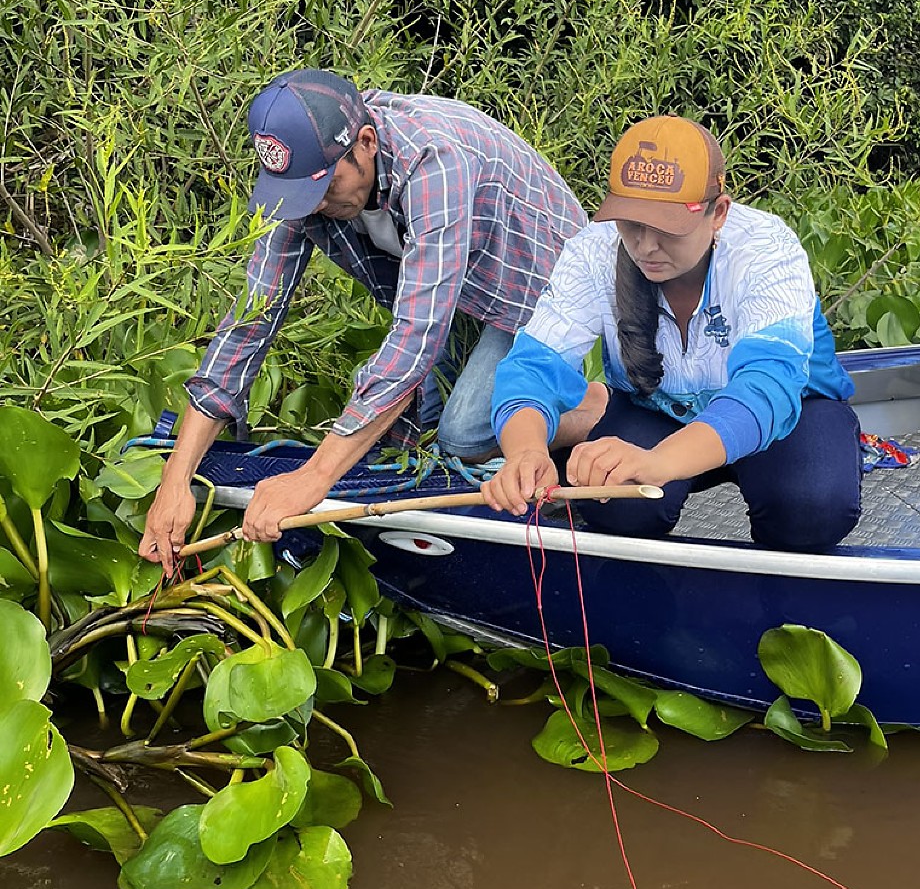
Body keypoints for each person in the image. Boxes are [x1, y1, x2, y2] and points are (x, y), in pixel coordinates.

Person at [140, 69, 597, 574]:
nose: (314, 206)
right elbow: (248, 322)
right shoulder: (305, 177)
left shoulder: (435, 162)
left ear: (366, 142)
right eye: (302, 192)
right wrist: (175, 481)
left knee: (463, 435)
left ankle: (595, 402)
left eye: (327, 186)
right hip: (462, 286)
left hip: (538, 280)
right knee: (411, 434)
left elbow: (415, 339)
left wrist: (311, 479)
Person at [481, 116, 862, 552]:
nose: (644, 246)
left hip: (790, 412)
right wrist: (526, 452)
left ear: (718, 212)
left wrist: (659, 462)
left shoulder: (766, 250)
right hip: (657, 406)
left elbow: (765, 389)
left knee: (812, 508)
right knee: (615, 507)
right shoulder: (593, 250)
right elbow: (533, 367)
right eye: (631, 224)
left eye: (666, 229)